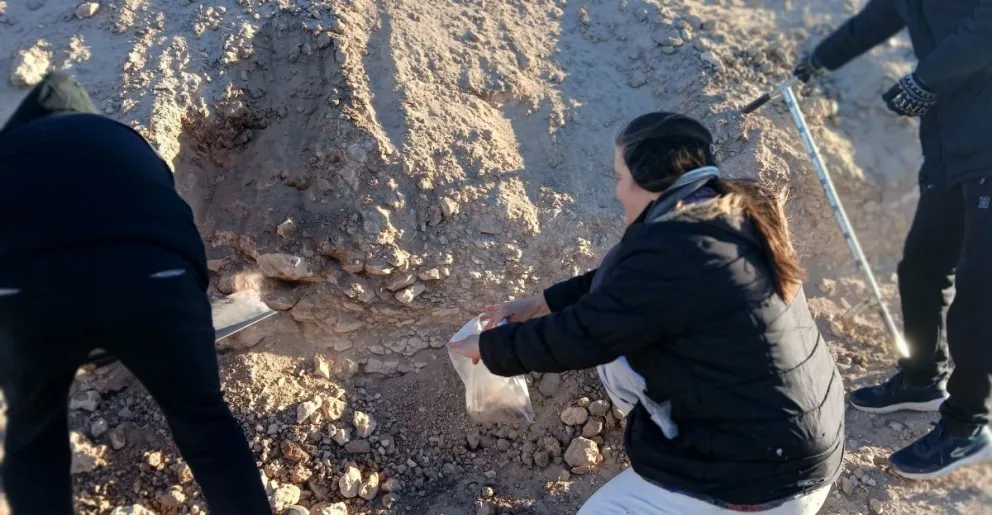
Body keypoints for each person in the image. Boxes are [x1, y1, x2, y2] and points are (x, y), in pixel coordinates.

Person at [449, 112, 845, 514]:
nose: (618, 191)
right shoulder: (723, 212)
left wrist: (488, 346)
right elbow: (620, 285)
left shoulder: (676, 249)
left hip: (764, 481)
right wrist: (537, 304)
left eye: (620, 178)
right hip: (800, 439)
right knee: (621, 359)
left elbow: (582, 336)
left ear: (647, 183)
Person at [0, 73, 270, 514]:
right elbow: (172, 221)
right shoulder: (125, 141)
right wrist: (182, 312)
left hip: (28, 290)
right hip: (158, 277)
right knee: (206, 426)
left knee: (35, 439)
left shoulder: (7, 152)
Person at [792, 0, 992, 479]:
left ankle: (968, 426)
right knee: (921, 267)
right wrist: (819, 60)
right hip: (948, 150)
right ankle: (922, 380)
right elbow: (875, 19)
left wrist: (926, 80)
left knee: (978, 291)